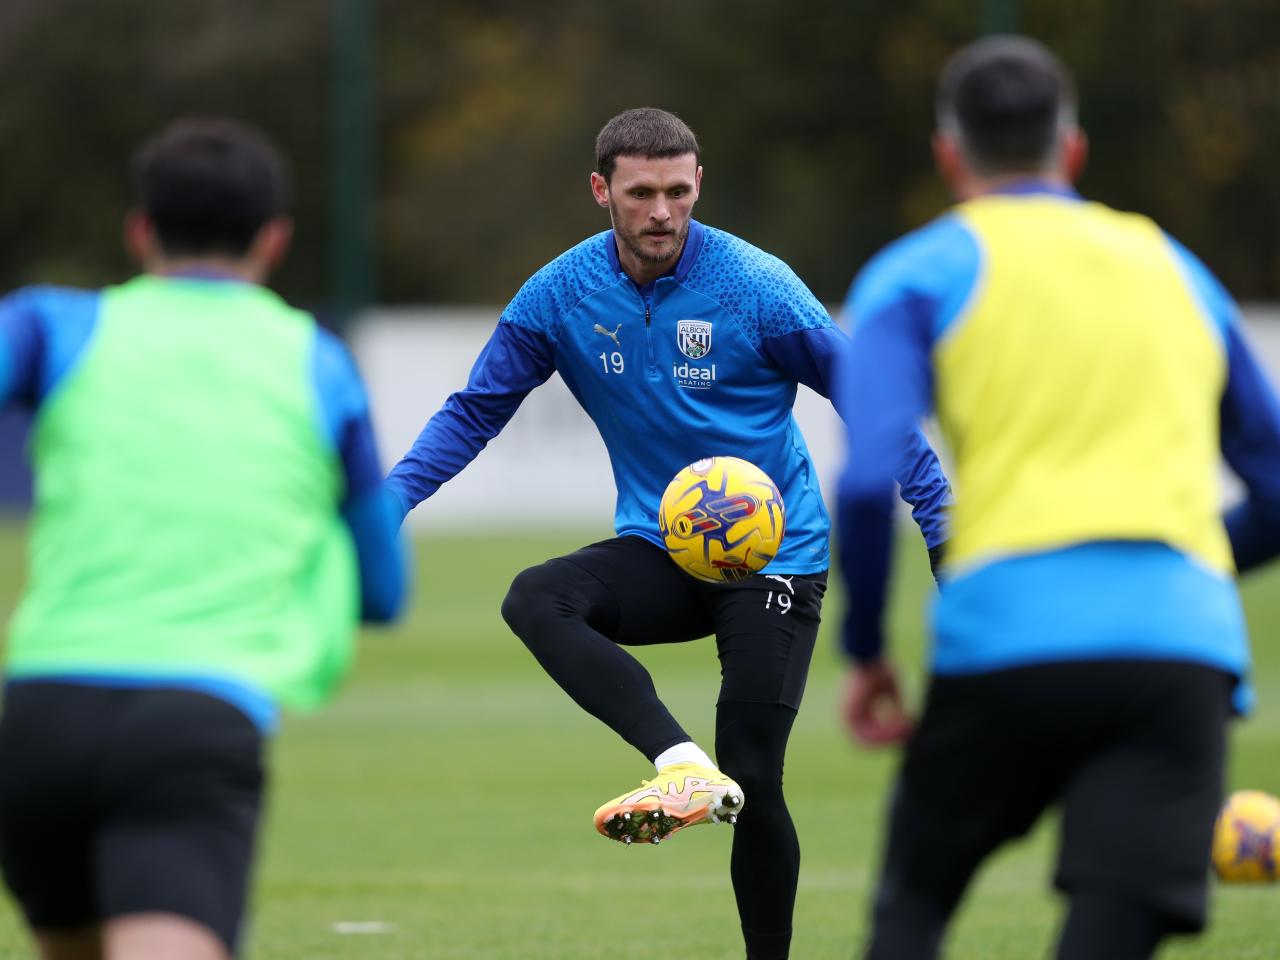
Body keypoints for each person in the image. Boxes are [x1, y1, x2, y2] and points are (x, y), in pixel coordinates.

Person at [387, 107, 949, 959]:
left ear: (698, 187)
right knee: (538, 597)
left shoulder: (756, 286)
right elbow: (476, 412)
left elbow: (869, 400)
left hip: (776, 559)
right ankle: (679, 763)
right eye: (641, 192)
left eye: (677, 191)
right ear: (600, 190)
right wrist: (385, 507)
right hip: (663, 547)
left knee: (756, 776)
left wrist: (940, 523)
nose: (661, 211)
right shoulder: (559, 294)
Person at [835, 35, 1280, 960]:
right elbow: (1276, 479)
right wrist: (1188, 565)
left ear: (948, 155)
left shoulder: (918, 273)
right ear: (1072, 150)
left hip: (1008, 634)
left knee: (914, 905)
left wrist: (868, 648)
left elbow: (871, 476)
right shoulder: (1177, 270)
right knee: (1112, 929)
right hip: (1177, 648)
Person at [0, 118, 408, 960]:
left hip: (40, 714)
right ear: (274, 239)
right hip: (196, 720)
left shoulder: (53, 327)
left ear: (140, 230)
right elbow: (384, 587)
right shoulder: (318, 361)